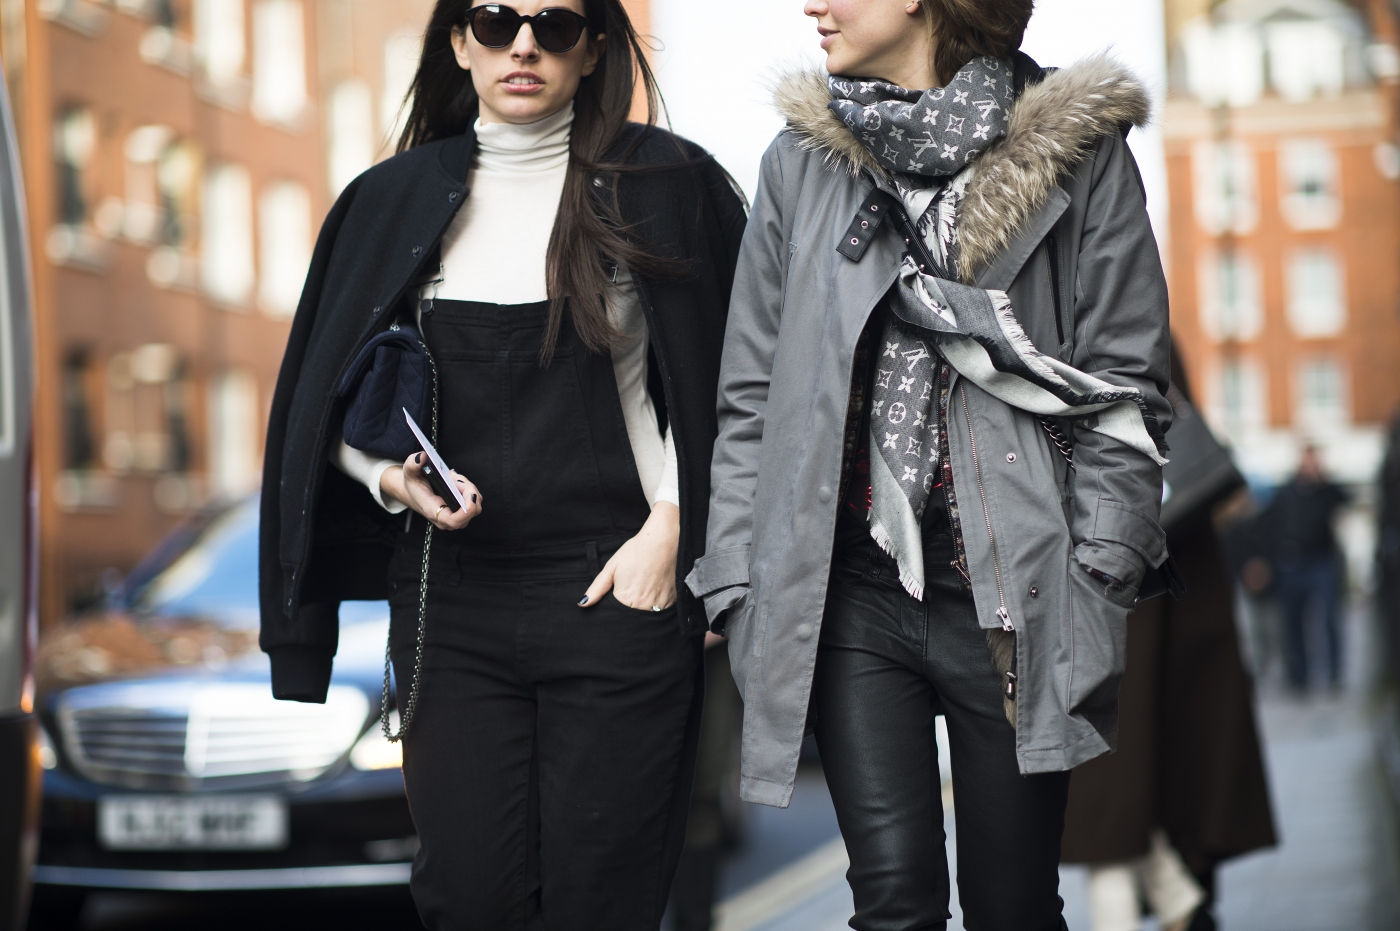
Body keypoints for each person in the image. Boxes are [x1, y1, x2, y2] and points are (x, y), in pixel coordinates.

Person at [257, 1, 747, 927]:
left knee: (602, 904)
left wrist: (673, 529)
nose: (524, 44)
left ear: (592, 49)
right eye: (494, 20)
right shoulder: (387, 202)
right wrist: (391, 478)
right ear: (459, 42)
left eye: (554, 24)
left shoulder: (667, 184)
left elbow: (741, 379)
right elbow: (318, 404)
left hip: (616, 593)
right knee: (467, 900)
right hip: (452, 607)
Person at [687, 1, 1172, 928]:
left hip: (1018, 587)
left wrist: (1103, 564)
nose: (810, 5)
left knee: (1012, 905)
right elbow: (752, 395)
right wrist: (740, 580)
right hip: (850, 592)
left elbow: (1129, 381)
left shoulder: (1079, 149)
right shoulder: (801, 161)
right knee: (892, 901)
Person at [1061, 353, 1277, 931]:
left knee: (1108, 780)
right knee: (1118, 780)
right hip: (1148, 560)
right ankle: (1181, 899)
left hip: (1126, 564)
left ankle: (1178, 899)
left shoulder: (1081, 315)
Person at [1265, 445, 1350, 692]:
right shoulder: (1286, 491)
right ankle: (1298, 677)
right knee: (1292, 623)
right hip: (1293, 562)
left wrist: (1324, 481)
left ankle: (1334, 674)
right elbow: (1270, 524)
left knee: (1329, 618)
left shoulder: (1326, 491)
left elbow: (1346, 500)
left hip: (1322, 559)